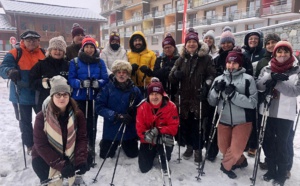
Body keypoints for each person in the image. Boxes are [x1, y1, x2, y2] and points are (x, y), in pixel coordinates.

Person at [208, 47, 258, 179]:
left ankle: (225, 166)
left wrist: (234, 95)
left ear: (239, 64)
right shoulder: (219, 79)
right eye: (229, 62)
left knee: (234, 150)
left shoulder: (248, 79)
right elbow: (211, 101)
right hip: (223, 119)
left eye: (234, 63)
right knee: (224, 149)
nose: (231, 65)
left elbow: (253, 103)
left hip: (242, 121)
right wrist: (215, 91)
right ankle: (241, 161)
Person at [169, 28, 216, 164]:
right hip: (184, 100)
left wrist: (206, 86)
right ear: (185, 45)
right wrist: (175, 75)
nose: (191, 44)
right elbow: (171, 77)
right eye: (188, 42)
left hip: (198, 98)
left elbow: (212, 75)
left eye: (193, 42)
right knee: (186, 125)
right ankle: (189, 147)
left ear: (198, 43)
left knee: (198, 126)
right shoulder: (181, 59)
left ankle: (198, 150)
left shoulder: (206, 59)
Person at [256, 41, 300, 185]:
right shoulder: (267, 68)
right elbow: (259, 86)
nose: (282, 55)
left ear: (290, 53)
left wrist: (278, 83)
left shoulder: (297, 70)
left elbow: (295, 91)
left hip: (285, 113)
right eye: (279, 52)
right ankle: (271, 169)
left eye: (285, 52)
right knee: (267, 143)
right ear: (274, 53)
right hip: (267, 111)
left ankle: (281, 173)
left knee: (282, 144)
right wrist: (271, 78)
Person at [31, 75, 88, 184]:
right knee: (45, 174)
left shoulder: (78, 114)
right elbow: (41, 145)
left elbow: (82, 138)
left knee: (84, 158)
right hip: (44, 156)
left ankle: (76, 178)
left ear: (69, 96)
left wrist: (81, 159)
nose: (62, 98)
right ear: (52, 96)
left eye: (65, 94)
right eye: (58, 94)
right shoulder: (41, 117)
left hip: (69, 152)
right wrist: (61, 164)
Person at [0, 30, 46, 154]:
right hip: (20, 94)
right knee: (25, 122)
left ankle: (42, 143)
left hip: (38, 94)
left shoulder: (43, 53)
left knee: (43, 121)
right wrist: (10, 71)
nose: (32, 42)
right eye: (29, 40)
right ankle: (30, 145)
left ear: (38, 41)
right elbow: (3, 68)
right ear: (23, 41)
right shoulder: (15, 53)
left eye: (34, 40)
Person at [68, 36, 109, 157]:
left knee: (92, 124)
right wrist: (80, 84)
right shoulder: (75, 62)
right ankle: (80, 147)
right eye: (87, 47)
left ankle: (90, 146)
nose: (89, 49)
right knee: (79, 123)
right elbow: (71, 79)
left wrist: (98, 83)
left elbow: (105, 78)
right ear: (83, 48)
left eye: (92, 47)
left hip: (93, 98)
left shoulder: (100, 62)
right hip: (79, 98)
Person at [96, 60, 143, 159]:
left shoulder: (135, 90)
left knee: (133, 154)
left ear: (128, 74)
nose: (121, 75)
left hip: (128, 130)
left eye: (124, 72)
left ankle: (127, 143)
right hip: (111, 130)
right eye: (119, 72)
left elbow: (142, 108)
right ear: (114, 73)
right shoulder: (107, 88)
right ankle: (104, 142)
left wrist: (132, 115)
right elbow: (99, 107)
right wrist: (115, 115)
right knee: (105, 155)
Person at [136, 80, 179, 173]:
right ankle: (152, 153)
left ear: (162, 94)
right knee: (144, 168)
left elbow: (174, 128)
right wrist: (148, 137)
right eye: (152, 94)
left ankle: (164, 157)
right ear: (148, 95)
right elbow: (140, 129)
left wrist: (158, 130)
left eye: (157, 94)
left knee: (166, 151)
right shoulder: (142, 107)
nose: (154, 97)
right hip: (148, 140)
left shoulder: (171, 106)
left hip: (163, 139)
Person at [29, 36, 69, 112]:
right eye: (55, 49)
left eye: (60, 49)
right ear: (50, 51)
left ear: (64, 52)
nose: (57, 52)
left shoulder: (68, 65)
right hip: (44, 102)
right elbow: (31, 82)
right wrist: (43, 82)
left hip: (64, 104)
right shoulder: (40, 65)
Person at [127, 31, 157, 96]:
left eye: (139, 40)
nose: (137, 42)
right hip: (132, 86)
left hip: (147, 86)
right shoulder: (128, 55)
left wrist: (148, 70)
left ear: (143, 41)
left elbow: (154, 69)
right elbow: (125, 71)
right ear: (132, 43)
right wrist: (130, 69)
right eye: (135, 41)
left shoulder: (151, 54)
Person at [153, 33, 179, 101]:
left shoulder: (179, 59)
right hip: (162, 90)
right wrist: (164, 70)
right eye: (165, 47)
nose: (168, 49)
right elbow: (155, 74)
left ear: (174, 47)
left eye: (170, 47)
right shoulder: (160, 59)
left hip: (176, 91)